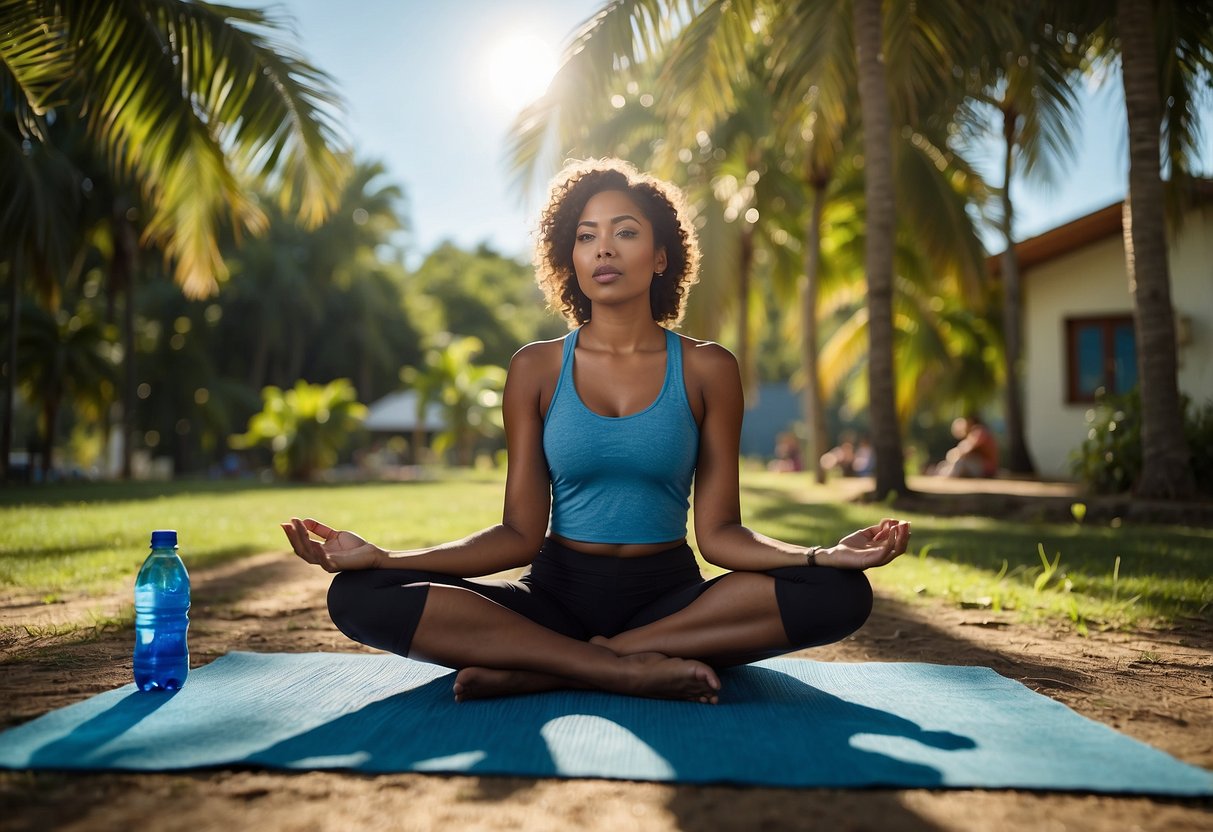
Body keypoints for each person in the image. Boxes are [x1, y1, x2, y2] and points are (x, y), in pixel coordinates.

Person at [282, 158, 911, 705]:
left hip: (669, 604)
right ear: (571, 259)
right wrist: (387, 559)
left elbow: (719, 535)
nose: (603, 249)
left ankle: (555, 666)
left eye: (625, 233)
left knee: (841, 594)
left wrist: (817, 556)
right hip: (554, 596)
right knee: (356, 596)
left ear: (661, 256)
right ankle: (612, 671)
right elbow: (517, 535)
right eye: (586, 237)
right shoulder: (535, 368)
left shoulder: (707, 368)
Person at [934, 416, 999, 478]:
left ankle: (947, 476)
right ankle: (941, 474)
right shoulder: (975, 433)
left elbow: (964, 450)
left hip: (986, 469)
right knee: (945, 464)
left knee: (960, 462)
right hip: (979, 467)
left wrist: (953, 453)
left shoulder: (979, 431)